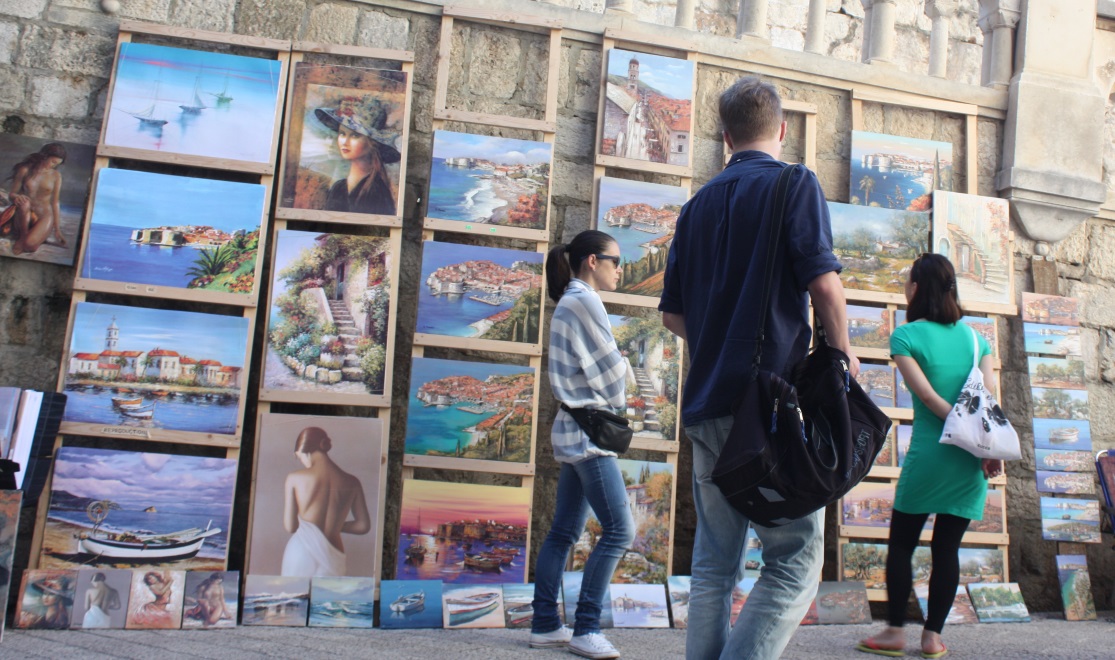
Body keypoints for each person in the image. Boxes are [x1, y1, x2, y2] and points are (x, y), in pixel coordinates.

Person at [658, 76, 860, 659]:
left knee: (714, 566)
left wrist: (719, 340)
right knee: (794, 560)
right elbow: (824, 284)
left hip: (706, 405)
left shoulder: (695, 207)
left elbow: (673, 315)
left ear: (724, 135)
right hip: (768, 408)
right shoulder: (795, 183)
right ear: (782, 128)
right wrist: (843, 353)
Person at [857, 253, 1002, 659]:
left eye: (908, 281)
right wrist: (983, 446)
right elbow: (987, 400)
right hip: (968, 458)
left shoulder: (906, 336)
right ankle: (932, 638)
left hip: (930, 456)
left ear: (916, 288)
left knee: (902, 543)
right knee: (947, 549)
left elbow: (924, 394)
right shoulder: (978, 340)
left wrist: (956, 424)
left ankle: (894, 633)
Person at [531, 230, 635, 660]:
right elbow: (610, 373)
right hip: (589, 435)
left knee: (563, 532)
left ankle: (545, 625)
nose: (620, 269)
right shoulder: (584, 300)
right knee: (619, 530)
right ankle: (586, 627)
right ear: (592, 260)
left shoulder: (569, 301)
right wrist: (627, 368)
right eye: (615, 260)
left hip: (572, 429)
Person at [281, 426, 371, 577]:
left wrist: (312, 527)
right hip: (334, 552)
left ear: (306, 452)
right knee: (328, 599)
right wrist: (335, 525)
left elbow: (291, 527)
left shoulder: (294, 478)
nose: (302, 462)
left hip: (301, 552)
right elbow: (363, 526)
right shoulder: (352, 481)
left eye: (299, 457)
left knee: (295, 599)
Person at [312, 96, 399, 215]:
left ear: (372, 143)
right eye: (342, 134)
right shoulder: (339, 187)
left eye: (354, 135)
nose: (344, 141)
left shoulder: (376, 191)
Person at [0, 142, 68, 255]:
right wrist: (17, 197)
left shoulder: (56, 176)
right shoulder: (25, 170)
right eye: (52, 162)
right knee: (25, 203)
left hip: (44, 215)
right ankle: (23, 236)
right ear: (44, 156)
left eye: (56, 164)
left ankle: (31, 237)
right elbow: (12, 194)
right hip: (23, 213)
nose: (53, 166)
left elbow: (55, 202)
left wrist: (57, 229)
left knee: (30, 246)